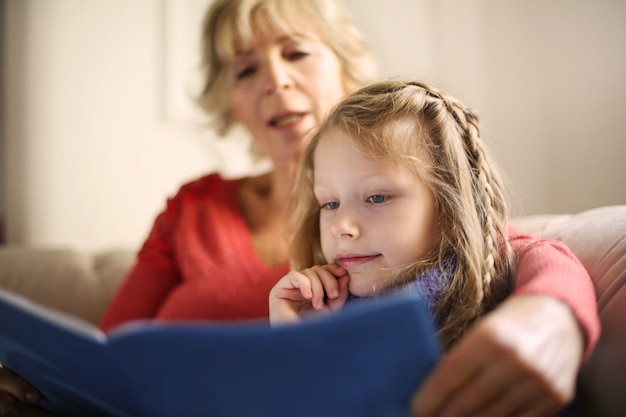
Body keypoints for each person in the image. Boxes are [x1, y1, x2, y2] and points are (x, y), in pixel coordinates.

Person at [0, 1, 598, 416]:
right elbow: (108, 350)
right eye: (247, 68)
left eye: (296, 53)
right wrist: (38, 387)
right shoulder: (192, 208)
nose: (275, 82)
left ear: (342, 62)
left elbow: (501, 251)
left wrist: (553, 317)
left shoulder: (410, 201)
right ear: (229, 99)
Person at [269, 79, 584, 416]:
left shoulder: (486, 273)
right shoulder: (325, 303)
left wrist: (547, 313)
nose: (340, 227)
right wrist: (296, 341)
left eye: (377, 197)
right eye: (329, 204)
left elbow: (550, 265)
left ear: (449, 208)